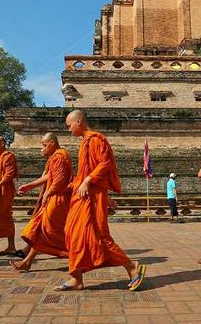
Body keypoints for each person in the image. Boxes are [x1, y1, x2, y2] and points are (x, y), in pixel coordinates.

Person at [57, 110, 145, 291]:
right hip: (85, 196)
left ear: (79, 121)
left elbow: (104, 164)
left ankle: (131, 266)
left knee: (99, 237)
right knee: (72, 232)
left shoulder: (96, 139)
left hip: (90, 197)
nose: (68, 130)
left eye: (69, 125)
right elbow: (86, 172)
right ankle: (76, 278)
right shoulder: (84, 142)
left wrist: (88, 182)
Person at [10, 132, 73, 271]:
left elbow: (60, 179)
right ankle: (27, 260)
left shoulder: (60, 156)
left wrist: (48, 193)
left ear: (52, 143)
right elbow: (50, 176)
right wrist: (30, 186)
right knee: (42, 230)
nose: (42, 149)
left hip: (58, 199)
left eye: (44, 145)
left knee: (45, 230)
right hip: (53, 198)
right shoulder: (55, 157)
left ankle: (82, 255)